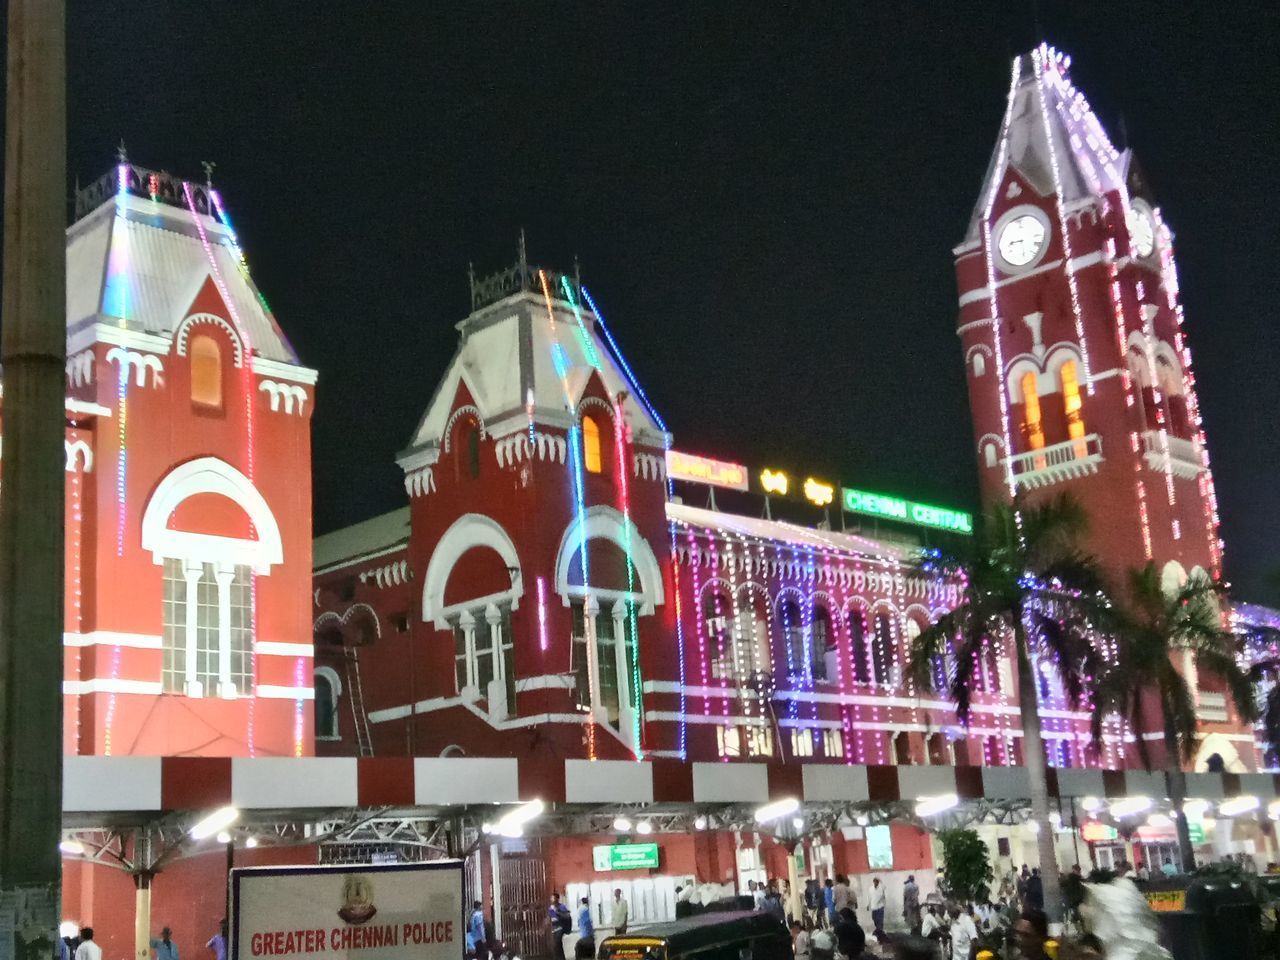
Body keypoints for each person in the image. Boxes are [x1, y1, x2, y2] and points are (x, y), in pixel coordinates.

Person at [549, 894, 572, 960]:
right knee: (556, 945)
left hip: (560, 927)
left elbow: (567, 916)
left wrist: (557, 912)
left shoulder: (562, 906)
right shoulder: (551, 907)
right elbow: (550, 917)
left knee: (557, 943)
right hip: (553, 928)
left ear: (557, 898)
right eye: (551, 898)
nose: (552, 899)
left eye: (553, 898)